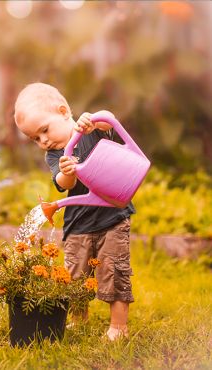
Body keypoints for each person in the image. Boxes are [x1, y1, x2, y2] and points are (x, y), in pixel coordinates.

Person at [14, 82, 135, 341]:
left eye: (44, 130)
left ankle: (118, 327)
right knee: (75, 275)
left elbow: (110, 121)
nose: (43, 140)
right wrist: (66, 171)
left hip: (112, 217)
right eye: (35, 138)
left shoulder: (90, 130)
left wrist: (94, 121)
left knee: (115, 271)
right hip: (78, 223)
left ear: (63, 111)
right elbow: (61, 183)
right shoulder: (56, 155)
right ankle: (80, 320)